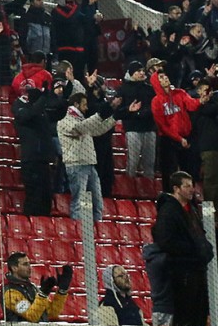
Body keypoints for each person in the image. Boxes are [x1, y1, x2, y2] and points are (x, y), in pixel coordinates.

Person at [152, 171, 215, 326]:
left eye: (192, 185)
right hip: (182, 272)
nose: (192, 189)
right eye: (187, 186)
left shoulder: (191, 209)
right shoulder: (169, 212)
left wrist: (205, 250)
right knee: (183, 317)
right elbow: (166, 241)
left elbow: (200, 237)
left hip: (197, 270)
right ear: (176, 188)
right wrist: (194, 251)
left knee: (199, 316)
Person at [2, 252, 72, 326]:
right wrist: (43, 293)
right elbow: (32, 316)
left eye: (29, 264)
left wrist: (62, 291)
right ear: (14, 268)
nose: (29, 267)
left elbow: (52, 312)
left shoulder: (33, 288)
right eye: (25, 264)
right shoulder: (9, 292)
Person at [57, 92, 118, 221]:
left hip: (89, 164)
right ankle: (78, 230)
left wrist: (116, 116)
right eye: (84, 105)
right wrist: (101, 114)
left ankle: (94, 230)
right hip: (76, 165)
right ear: (76, 104)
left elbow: (98, 130)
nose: (86, 108)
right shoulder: (64, 121)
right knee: (79, 202)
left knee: (96, 203)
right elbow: (80, 128)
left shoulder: (83, 121)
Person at [150, 70, 206, 193]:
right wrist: (179, 139)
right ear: (156, 82)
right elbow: (162, 126)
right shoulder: (156, 101)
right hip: (169, 140)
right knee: (169, 172)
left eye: (165, 75)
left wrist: (200, 101)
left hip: (186, 136)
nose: (165, 78)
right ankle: (169, 198)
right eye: (161, 77)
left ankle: (190, 198)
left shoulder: (180, 93)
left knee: (189, 170)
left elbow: (191, 105)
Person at [13, 80, 54, 216]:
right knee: (34, 196)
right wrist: (43, 98)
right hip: (31, 160)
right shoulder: (21, 109)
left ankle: (45, 225)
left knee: (46, 197)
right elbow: (29, 114)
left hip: (43, 160)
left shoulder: (42, 114)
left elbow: (59, 108)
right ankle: (31, 223)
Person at [114, 61, 156, 178]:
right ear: (131, 73)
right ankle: (129, 186)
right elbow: (118, 110)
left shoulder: (149, 89)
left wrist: (140, 113)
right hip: (132, 128)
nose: (142, 73)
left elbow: (154, 106)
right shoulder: (123, 89)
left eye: (143, 71)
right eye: (138, 71)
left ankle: (149, 187)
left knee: (149, 163)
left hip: (149, 128)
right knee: (133, 162)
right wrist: (131, 111)